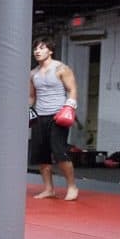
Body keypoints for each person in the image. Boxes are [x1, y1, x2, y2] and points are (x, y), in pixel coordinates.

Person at [29, 37, 79, 201]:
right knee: (41, 155)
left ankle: (72, 186)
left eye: (42, 48)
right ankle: (49, 189)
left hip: (58, 115)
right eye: (36, 48)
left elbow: (72, 89)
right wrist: (27, 110)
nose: (37, 51)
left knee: (59, 152)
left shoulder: (61, 68)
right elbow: (31, 96)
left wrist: (69, 107)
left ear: (50, 50)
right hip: (40, 116)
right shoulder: (33, 73)